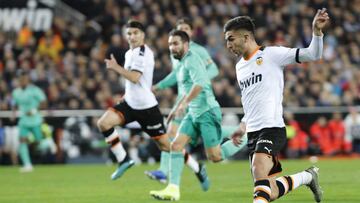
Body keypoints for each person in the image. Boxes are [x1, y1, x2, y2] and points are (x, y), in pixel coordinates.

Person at [224, 8, 329, 203]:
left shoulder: (272, 54)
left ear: (246, 37)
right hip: (253, 132)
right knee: (269, 192)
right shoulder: (239, 67)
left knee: (258, 167)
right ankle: (308, 176)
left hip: (272, 128)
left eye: (231, 39)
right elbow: (251, 102)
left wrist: (316, 32)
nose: (227, 44)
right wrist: (242, 126)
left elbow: (312, 55)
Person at [149, 30, 245, 201]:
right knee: (176, 145)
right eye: (170, 44)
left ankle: (245, 135)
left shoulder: (192, 59)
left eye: (176, 43)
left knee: (214, 157)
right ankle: (173, 189)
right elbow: (186, 89)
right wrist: (176, 108)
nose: (172, 47)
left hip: (206, 111)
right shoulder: (182, 63)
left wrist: (184, 104)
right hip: (193, 113)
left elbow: (200, 83)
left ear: (186, 45)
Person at [97, 20, 172, 180]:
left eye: (135, 33)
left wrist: (115, 67)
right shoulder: (129, 53)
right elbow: (134, 83)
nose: (132, 36)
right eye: (129, 33)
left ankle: (196, 167)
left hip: (146, 107)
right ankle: (123, 159)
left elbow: (135, 77)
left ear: (143, 35)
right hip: (131, 104)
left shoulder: (142, 52)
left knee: (167, 146)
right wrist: (126, 95)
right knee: (103, 123)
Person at [12, 70, 53, 172]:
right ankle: (27, 165)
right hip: (24, 121)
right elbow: (14, 103)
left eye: (24, 79)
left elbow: (44, 102)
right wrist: (13, 113)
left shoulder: (35, 90)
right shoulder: (16, 92)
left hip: (35, 120)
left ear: (27, 80)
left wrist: (34, 110)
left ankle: (48, 143)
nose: (22, 81)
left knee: (38, 143)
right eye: (21, 79)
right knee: (22, 141)